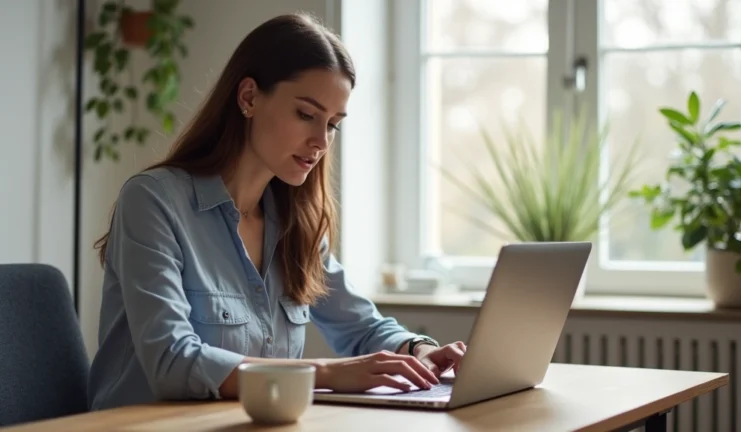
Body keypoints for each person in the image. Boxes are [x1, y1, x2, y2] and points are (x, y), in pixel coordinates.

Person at [87, 13, 466, 410]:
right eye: (306, 115)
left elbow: (361, 325)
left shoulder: (294, 222)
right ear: (249, 97)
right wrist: (327, 373)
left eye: (333, 124)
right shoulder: (153, 201)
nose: (321, 141)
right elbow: (171, 361)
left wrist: (419, 349)